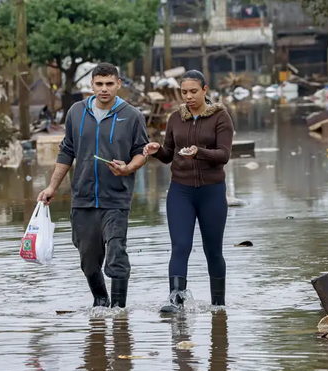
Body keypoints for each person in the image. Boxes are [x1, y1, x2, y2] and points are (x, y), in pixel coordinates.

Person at [37, 62, 149, 311]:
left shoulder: (132, 116)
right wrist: (52, 187)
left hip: (116, 199)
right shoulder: (76, 112)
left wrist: (128, 168)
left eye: (110, 84)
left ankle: (119, 312)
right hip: (83, 199)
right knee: (88, 259)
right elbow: (67, 150)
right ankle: (100, 302)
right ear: (92, 85)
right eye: (99, 84)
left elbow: (141, 152)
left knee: (117, 254)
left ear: (119, 84)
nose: (104, 89)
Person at [144, 70, 234, 313]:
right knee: (180, 246)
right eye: (184, 92)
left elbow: (224, 155)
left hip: (211, 192)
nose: (189, 96)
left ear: (205, 90)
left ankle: (218, 305)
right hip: (180, 192)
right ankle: (175, 299)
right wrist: (156, 150)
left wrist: (199, 152)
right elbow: (168, 154)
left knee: (213, 250)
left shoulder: (220, 117)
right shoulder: (175, 118)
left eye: (194, 91)